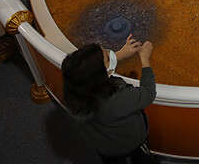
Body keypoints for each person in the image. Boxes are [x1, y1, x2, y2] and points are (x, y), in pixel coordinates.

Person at [63, 35, 157, 163]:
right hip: (133, 142)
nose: (109, 52)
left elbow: (94, 71)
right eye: (108, 57)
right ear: (101, 75)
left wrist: (119, 55)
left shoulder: (75, 91)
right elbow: (148, 93)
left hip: (105, 147)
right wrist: (145, 59)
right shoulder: (118, 98)